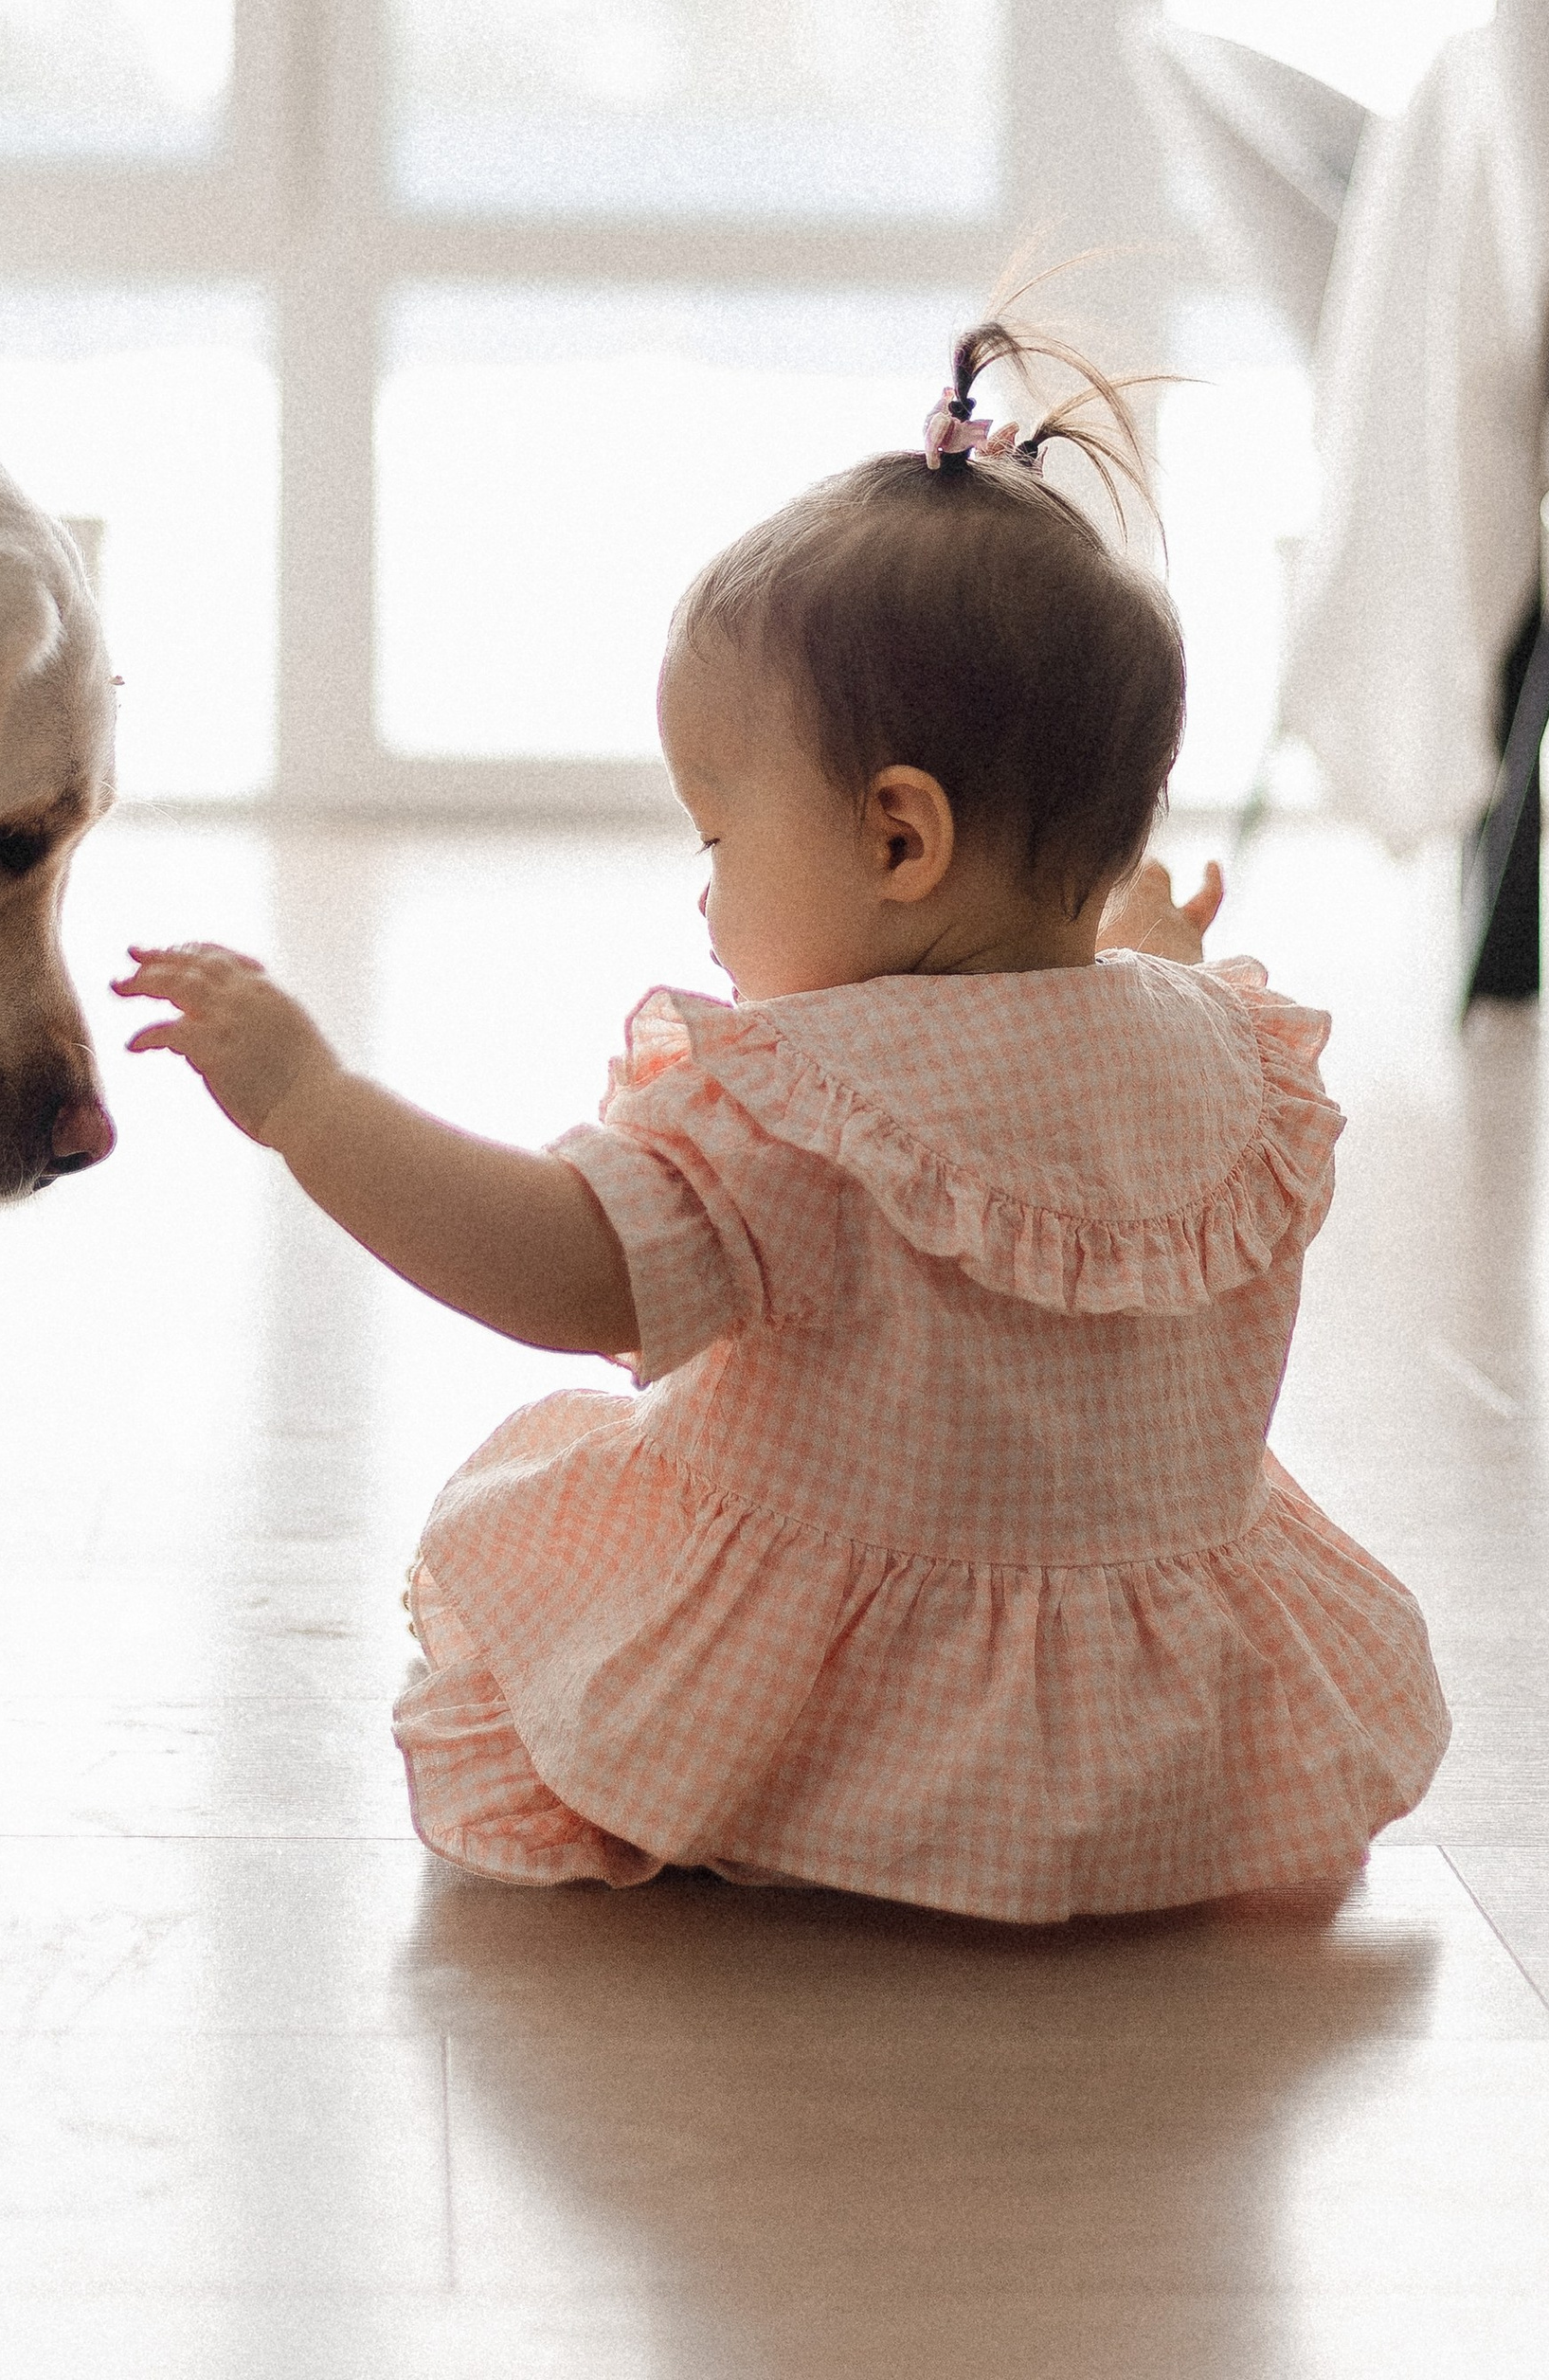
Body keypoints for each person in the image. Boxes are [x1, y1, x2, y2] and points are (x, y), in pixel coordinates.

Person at [116, 319, 1450, 1921]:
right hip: (1172, 1762)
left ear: (898, 841)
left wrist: (314, 1107)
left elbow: (558, 1268)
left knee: (542, 1593)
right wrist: (1138, 943)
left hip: (869, 1740)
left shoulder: (804, 1114)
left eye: (716, 837)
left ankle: (826, 1817)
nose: (704, 896)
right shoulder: (1232, 1052)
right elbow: (1116, 1003)